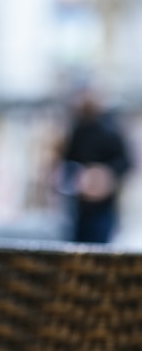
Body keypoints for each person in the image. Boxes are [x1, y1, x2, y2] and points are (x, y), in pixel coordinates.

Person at [56, 88, 134, 243]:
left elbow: (125, 163)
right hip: (80, 203)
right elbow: (66, 162)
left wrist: (105, 175)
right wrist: (81, 177)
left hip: (104, 204)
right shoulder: (77, 132)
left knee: (100, 243)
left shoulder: (111, 132)